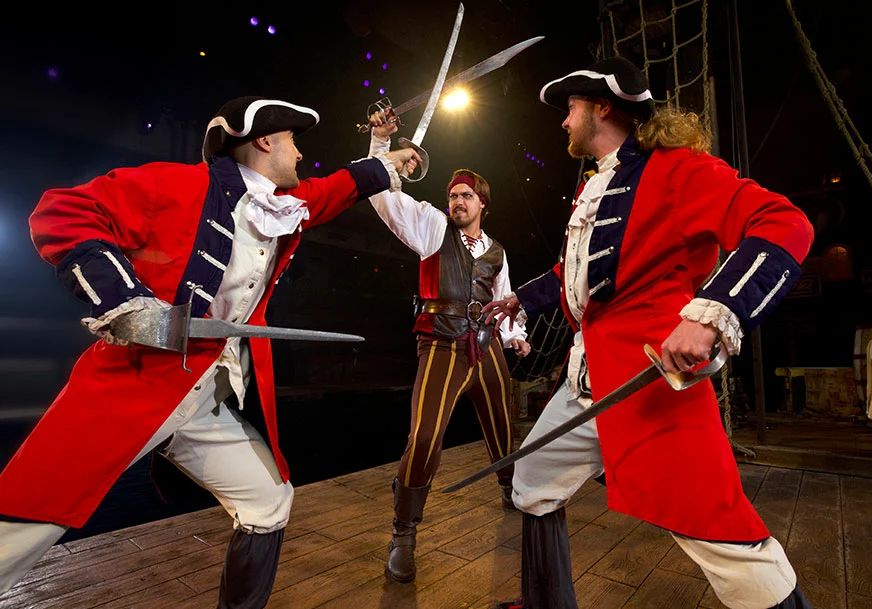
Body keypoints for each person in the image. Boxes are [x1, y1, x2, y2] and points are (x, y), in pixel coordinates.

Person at [0, 96, 419, 608]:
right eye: (293, 141)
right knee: (18, 528)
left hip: (205, 394)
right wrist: (126, 298)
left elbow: (337, 188)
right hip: (137, 385)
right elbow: (62, 211)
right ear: (265, 140)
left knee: (269, 503)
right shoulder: (176, 184)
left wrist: (387, 161)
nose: (301, 155)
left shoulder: (283, 205)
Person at [484, 57, 816, 609]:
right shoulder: (597, 184)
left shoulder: (678, 171)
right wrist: (521, 297)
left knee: (719, 532)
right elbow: (582, 273)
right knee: (532, 479)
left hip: (648, 383)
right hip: (585, 380)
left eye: (570, 109)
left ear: (602, 107)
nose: (564, 123)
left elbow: (786, 225)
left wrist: (709, 314)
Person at [366, 110, 532, 583]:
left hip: (486, 347)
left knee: (502, 424)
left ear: (482, 203)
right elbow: (384, 198)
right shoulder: (432, 228)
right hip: (441, 345)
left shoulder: (498, 251)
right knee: (424, 437)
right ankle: (404, 534)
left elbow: (505, 303)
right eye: (452, 195)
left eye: (465, 196)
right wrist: (382, 145)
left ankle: (508, 488)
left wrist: (514, 337)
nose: (456, 201)